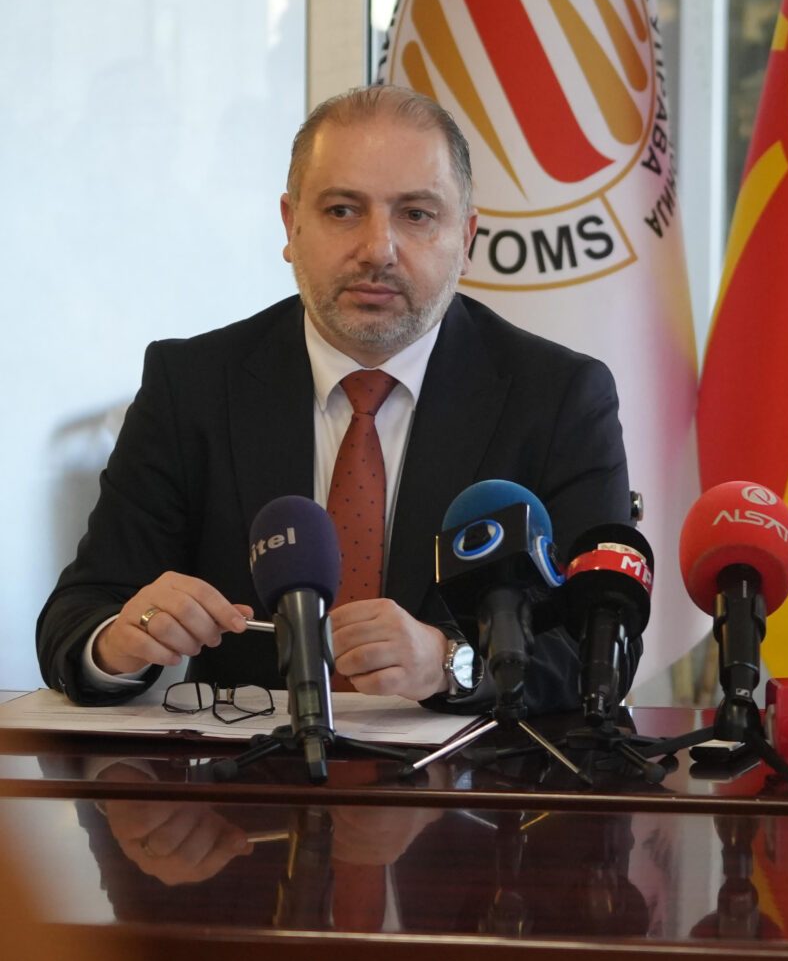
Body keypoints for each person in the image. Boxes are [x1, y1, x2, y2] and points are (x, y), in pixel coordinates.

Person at [37, 85, 632, 711]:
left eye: (416, 214)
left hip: (472, 771)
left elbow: (602, 654)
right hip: (246, 768)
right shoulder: (192, 385)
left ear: (467, 238)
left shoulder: (560, 398)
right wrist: (118, 643)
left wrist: (449, 663)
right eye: (343, 210)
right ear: (291, 225)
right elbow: (78, 617)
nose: (377, 250)